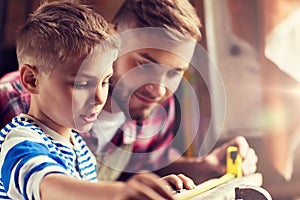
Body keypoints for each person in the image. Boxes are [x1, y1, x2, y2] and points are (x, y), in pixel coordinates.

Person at [0, 1, 195, 199]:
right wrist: (119, 192)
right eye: (82, 84)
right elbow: (49, 186)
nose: (100, 98)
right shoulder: (21, 143)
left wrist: (147, 192)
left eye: (105, 82)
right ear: (32, 80)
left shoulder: (80, 148)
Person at [84, 0, 258, 184]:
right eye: (145, 65)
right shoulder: (67, 98)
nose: (158, 89)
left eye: (174, 73)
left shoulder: (157, 107)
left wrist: (204, 166)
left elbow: (155, 164)